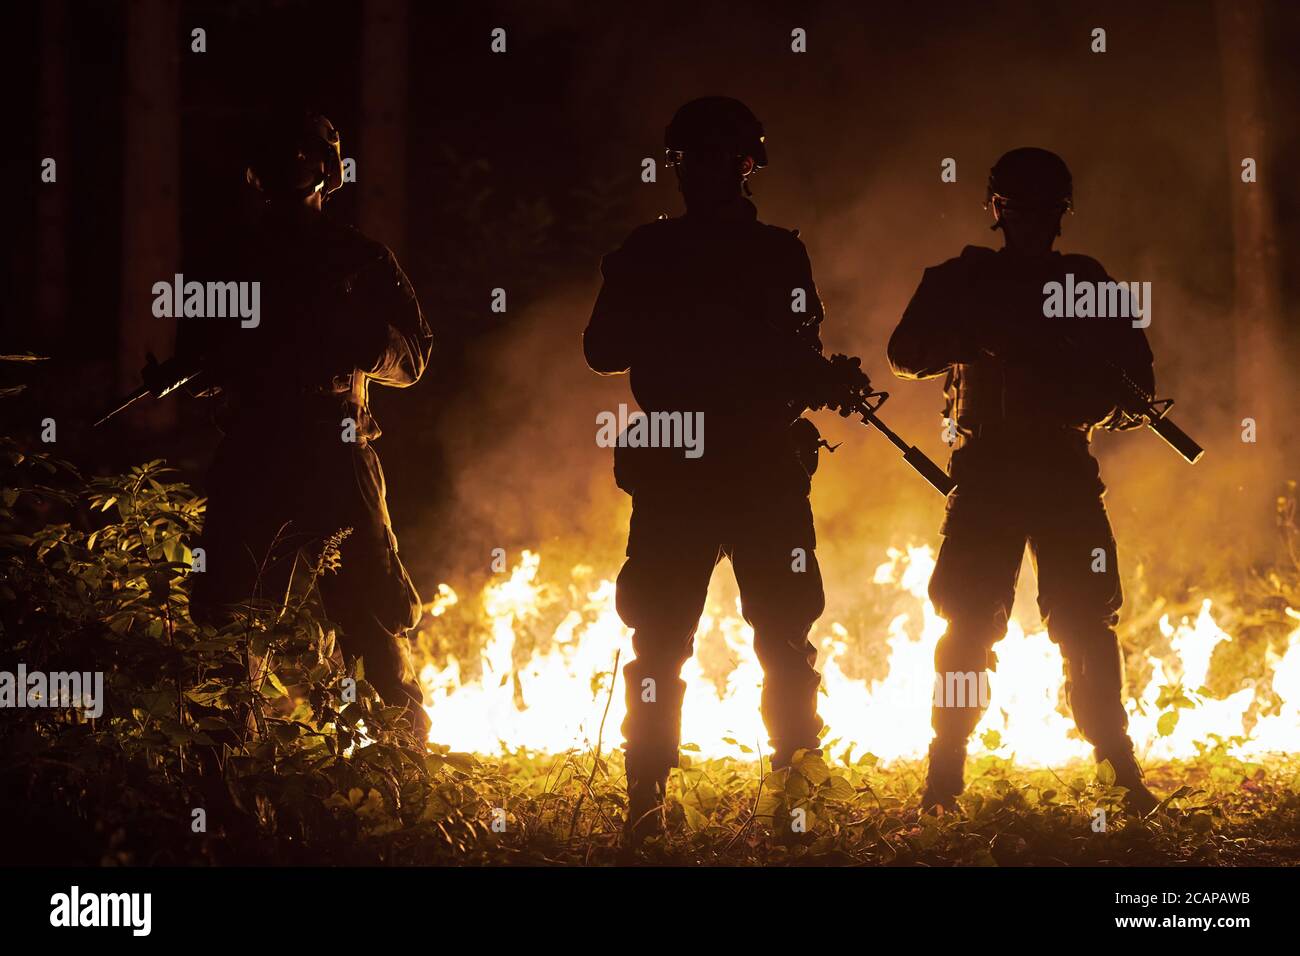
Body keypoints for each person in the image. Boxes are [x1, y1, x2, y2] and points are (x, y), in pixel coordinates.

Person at [584, 97, 836, 843]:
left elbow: (803, 350)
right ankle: (647, 801)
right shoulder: (648, 253)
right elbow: (603, 349)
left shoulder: (778, 253)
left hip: (755, 460)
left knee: (784, 636)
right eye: (692, 159)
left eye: (719, 159)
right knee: (660, 638)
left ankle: (795, 793)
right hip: (686, 468)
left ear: (746, 165)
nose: (704, 173)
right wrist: (690, 319)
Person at [887, 146, 1160, 815]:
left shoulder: (1086, 283)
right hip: (989, 474)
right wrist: (978, 336)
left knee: (1085, 623)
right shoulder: (962, 282)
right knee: (968, 625)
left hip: (1062, 470)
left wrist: (1088, 390)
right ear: (998, 212)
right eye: (1019, 210)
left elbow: (1137, 392)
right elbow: (904, 355)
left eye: (1040, 211)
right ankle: (944, 776)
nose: (1029, 223)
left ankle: (1118, 773)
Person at [185, 109, 433, 743]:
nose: (292, 172)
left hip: (335, 445)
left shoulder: (358, 258)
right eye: (280, 161)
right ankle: (228, 767)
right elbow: (199, 351)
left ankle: (401, 757)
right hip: (258, 445)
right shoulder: (232, 258)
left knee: (370, 608)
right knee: (227, 613)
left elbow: (414, 356)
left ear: (328, 170)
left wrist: (352, 339)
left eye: (303, 159)